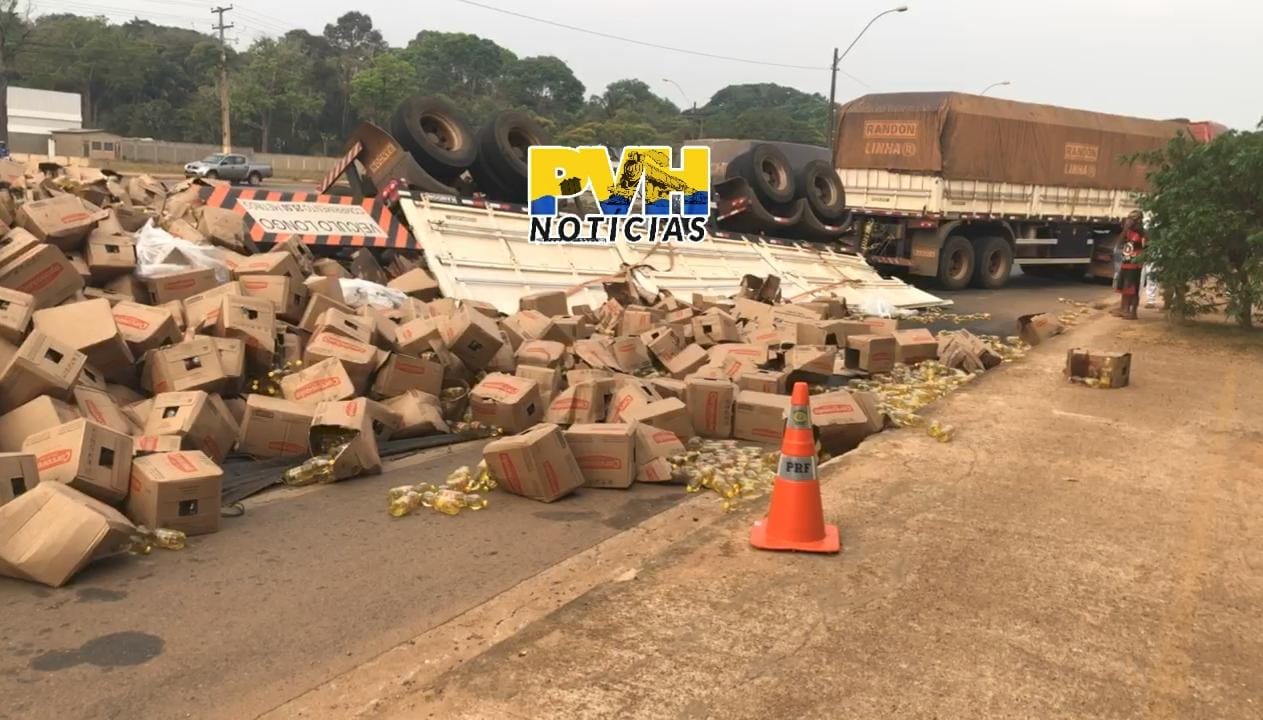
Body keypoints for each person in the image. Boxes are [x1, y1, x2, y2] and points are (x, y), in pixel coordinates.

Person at [1115, 211, 1147, 320]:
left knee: (1132, 288)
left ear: (1137, 221)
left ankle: (1132, 312)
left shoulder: (1142, 234)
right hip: (1126, 262)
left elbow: (1146, 247)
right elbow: (1120, 243)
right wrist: (1125, 229)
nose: (1127, 221)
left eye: (1130, 220)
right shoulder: (1128, 232)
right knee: (1124, 287)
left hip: (1135, 264)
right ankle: (1123, 309)